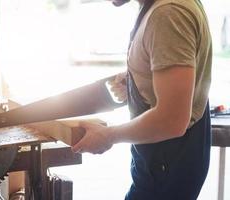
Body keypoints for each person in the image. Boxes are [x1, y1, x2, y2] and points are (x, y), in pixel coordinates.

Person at [72, 0, 212, 199]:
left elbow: (172, 120)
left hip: (166, 170)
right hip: (162, 167)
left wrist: (108, 136)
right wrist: (139, 79)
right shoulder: (156, 8)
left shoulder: (168, 14)